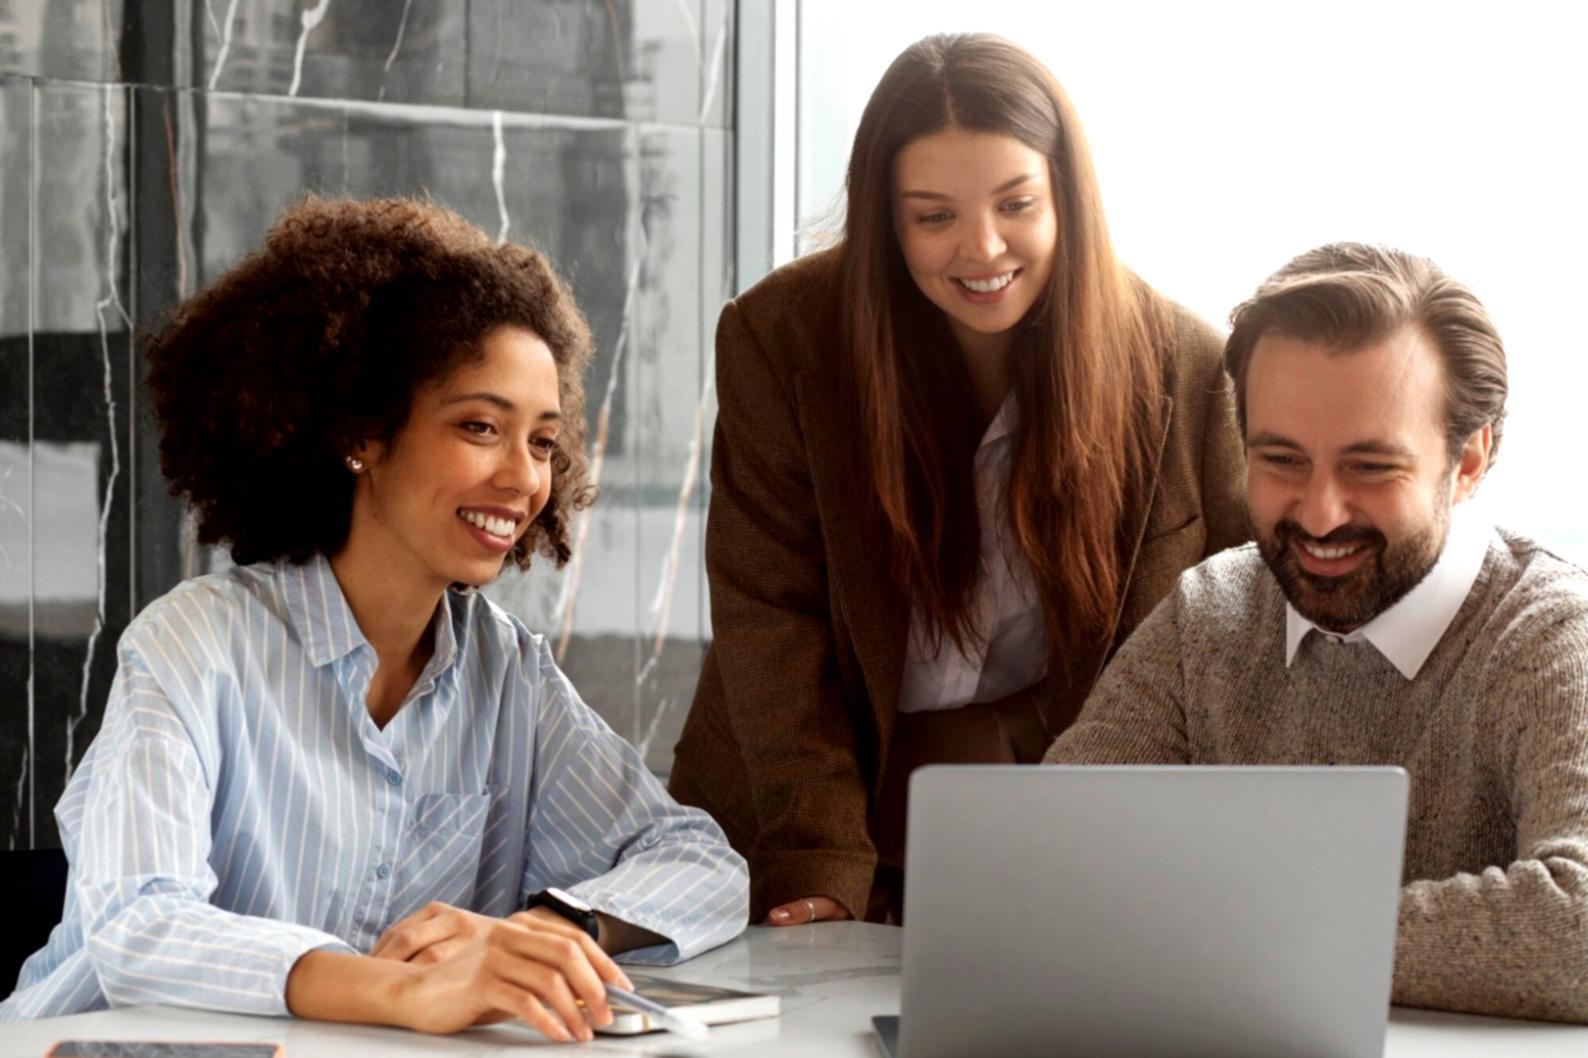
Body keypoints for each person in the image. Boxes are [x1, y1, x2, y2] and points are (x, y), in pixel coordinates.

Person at [0, 197, 749, 1040]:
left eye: (542, 442)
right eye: (479, 426)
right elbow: (137, 926)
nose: (522, 476)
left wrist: (556, 930)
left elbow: (700, 861)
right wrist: (402, 991)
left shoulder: (511, 677)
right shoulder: (196, 644)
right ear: (362, 432)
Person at [669, 33, 1248, 926]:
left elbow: (1223, 632)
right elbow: (767, 615)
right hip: (800, 811)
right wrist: (817, 861)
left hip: (1062, 831)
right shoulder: (779, 337)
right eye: (932, 216)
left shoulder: (1188, 367)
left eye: (1017, 203)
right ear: (884, 218)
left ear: (1067, 196)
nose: (982, 249)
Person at [1045, 242, 1588, 1023]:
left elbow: (1576, 930)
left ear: (1469, 461)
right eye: (1281, 460)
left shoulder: (1549, 636)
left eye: (1370, 467)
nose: (1320, 513)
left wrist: (1235, 930)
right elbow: (1043, 860)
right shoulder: (1213, 611)